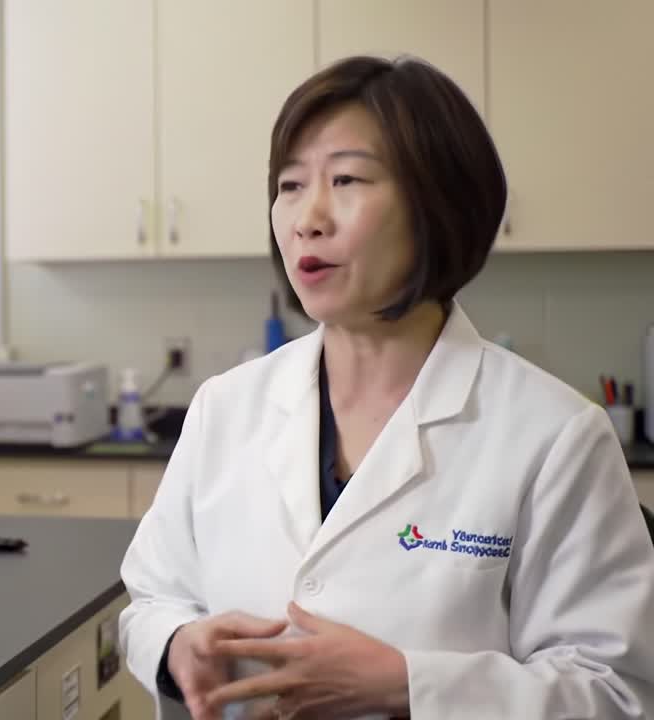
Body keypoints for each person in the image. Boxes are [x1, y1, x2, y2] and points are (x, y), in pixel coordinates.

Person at [118, 55, 654, 720]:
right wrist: (178, 645)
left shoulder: (553, 435)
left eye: (346, 179)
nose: (307, 218)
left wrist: (409, 685)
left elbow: (616, 690)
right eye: (290, 185)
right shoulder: (224, 408)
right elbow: (152, 598)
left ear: (438, 204)